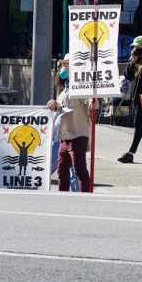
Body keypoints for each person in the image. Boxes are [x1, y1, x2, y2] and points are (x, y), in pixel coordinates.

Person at [47, 59, 94, 193]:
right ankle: (63, 196)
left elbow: (90, 101)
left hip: (77, 134)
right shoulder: (67, 88)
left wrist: (93, 104)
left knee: (79, 169)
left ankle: (85, 196)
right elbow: (61, 107)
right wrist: (54, 105)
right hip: (65, 135)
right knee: (62, 170)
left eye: (65, 63)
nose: (62, 65)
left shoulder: (80, 86)